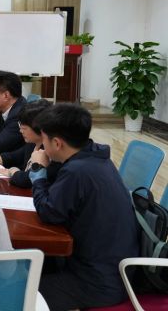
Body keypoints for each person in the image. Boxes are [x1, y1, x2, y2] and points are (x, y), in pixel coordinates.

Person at [28, 104, 139, 310]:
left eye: (44, 140)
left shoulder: (77, 172)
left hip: (96, 282)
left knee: (17, 290)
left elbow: (48, 212)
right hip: (108, 269)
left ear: (57, 143)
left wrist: (38, 170)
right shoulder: (95, 158)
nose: (42, 146)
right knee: (34, 264)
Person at [0, 99, 61, 188]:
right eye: (20, 125)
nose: (20, 131)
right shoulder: (32, 143)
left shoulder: (49, 150)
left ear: (38, 128)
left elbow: (28, 179)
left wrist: (13, 172)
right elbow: (15, 156)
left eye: (24, 128)